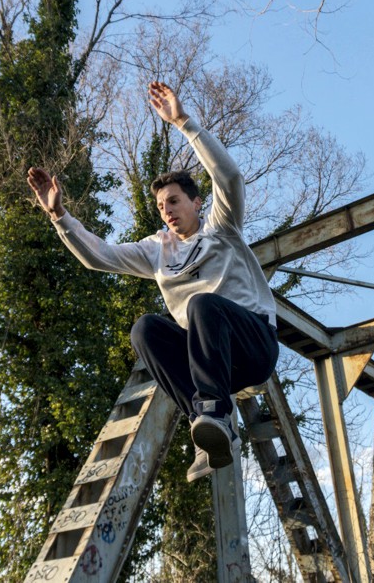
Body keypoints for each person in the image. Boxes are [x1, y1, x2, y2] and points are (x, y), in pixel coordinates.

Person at [27, 81, 278, 482]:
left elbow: (229, 177)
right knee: (145, 328)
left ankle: (214, 409)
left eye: (174, 201)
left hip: (252, 345)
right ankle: (209, 424)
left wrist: (182, 121)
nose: (167, 212)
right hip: (211, 362)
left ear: (197, 202)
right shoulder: (156, 249)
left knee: (201, 304)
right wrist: (60, 217)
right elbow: (100, 257)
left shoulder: (221, 228)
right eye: (161, 206)